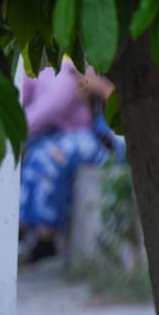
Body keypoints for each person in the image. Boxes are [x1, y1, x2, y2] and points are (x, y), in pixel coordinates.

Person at [19, 60, 120, 262]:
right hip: (63, 136)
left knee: (50, 156)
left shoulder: (68, 74)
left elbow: (41, 115)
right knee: (38, 155)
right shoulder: (43, 70)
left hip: (99, 140)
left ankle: (44, 235)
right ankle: (27, 229)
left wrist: (11, 132)